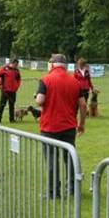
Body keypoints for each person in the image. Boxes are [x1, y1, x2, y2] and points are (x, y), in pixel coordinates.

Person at [36, 54, 87, 198]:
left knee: (52, 159)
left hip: (49, 127)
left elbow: (40, 101)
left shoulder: (46, 79)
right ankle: (72, 188)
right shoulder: (75, 81)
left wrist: (37, 96)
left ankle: (53, 192)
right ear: (65, 65)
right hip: (69, 126)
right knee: (70, 157)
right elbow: (83, 105)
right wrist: (81, 124)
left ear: (53, 64)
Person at [0, 59, 21, 123]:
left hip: (13, 91)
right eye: (15, 65)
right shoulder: (4, 68)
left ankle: (11, 119)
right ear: (12, 63)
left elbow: (19, 79)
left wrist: (17, 86)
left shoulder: (17, 70)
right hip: (5, 90)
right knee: (2, 105)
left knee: (12, 105)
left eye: (17, 65)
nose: (16, 66)